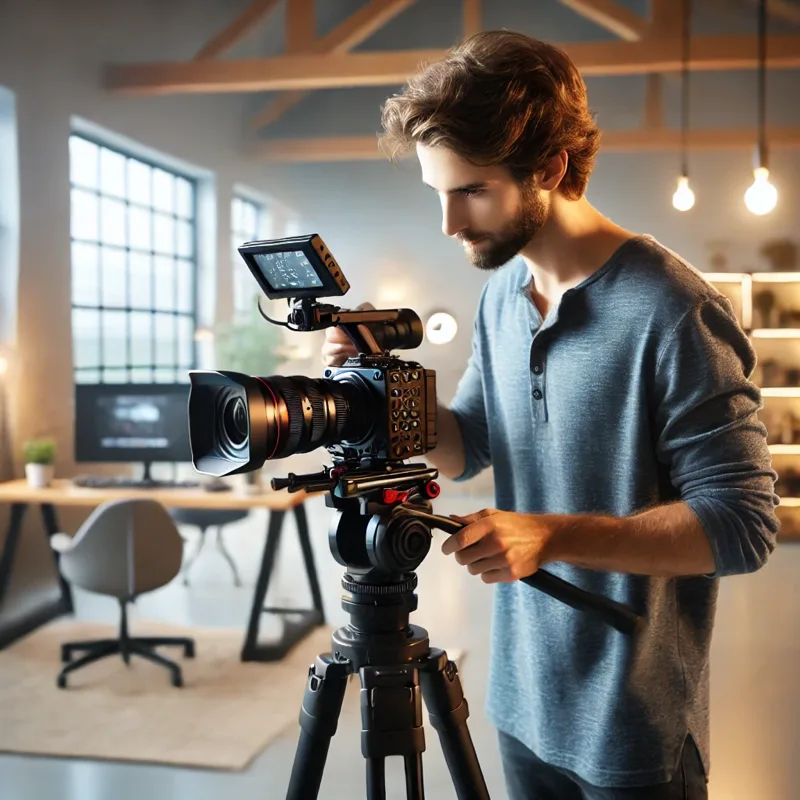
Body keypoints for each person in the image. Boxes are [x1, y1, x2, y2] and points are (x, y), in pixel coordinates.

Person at [322, 31, 779, 800]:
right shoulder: (503, 295)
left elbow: (744, 525)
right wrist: (386, 382)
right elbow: (467, 446)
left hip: (632, 726)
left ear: (551, 169)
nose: (449, 223)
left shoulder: (674, 309)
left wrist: (552, 535)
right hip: (522, 701)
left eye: (472, 191)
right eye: (438, 192)